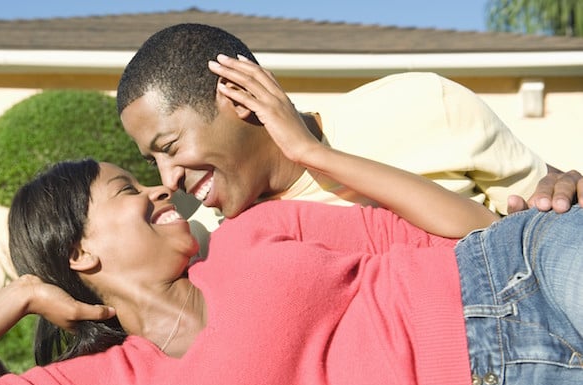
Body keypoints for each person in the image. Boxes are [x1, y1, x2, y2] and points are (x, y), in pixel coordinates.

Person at [0, 151, 581, 385]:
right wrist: (17, 296)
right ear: (80, 252)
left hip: (515, 272)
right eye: (129, 189)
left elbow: (467, 232)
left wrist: (550, 201)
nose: (162, 189)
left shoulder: (250, 231)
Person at [116, 23, 582, 233]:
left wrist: (567, 193)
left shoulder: (423, 104)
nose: (167, 178)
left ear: (237, 96)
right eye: (153, 160)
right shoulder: (206, 239)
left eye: (170, 146)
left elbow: (541, 217)